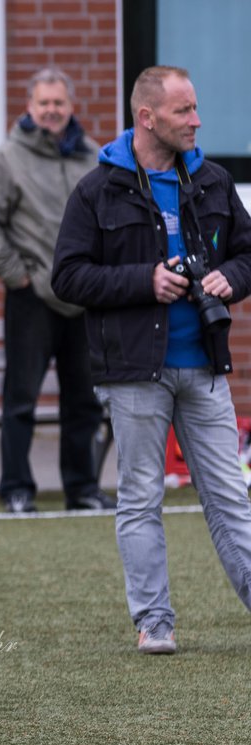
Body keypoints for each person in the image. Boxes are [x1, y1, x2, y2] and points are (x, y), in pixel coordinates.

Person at [52, 66, 251, 654]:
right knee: (141, 497)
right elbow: (67, 276)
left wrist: (227, 279)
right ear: (147, 117)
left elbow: (247, 253)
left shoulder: (214, 180)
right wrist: (146, 280)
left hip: (206, 366)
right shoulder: (98, 188)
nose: (196, 120)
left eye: (194, 108)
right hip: (135, 371)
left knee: (230, 496)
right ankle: (154, 624)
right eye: (183, 111)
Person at [0, 67, 114, 515]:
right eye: (43, 103)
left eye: (59, 103)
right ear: (30, 107)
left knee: (84, 404)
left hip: (84, 299)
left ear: (71, 107)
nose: (51, 111)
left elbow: (108, 223)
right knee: (20, 401)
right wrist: (21, 278)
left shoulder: (95, 158)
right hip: (31, 298)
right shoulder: (6, 159)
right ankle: (16, 489)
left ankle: (83, 489)